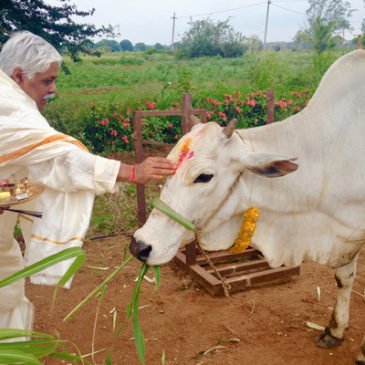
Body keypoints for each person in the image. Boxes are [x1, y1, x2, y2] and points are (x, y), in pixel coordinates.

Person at [0, 31, 175, 332]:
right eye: (47, 81)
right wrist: (131, 173)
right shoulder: (11, 110)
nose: (53, 89)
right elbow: (60, 160)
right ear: (18, 76)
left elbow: (24, 170)